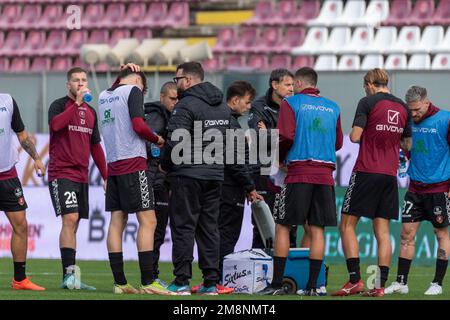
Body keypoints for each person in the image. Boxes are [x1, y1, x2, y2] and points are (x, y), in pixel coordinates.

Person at [160, 62, 260, 295]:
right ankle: (210, 282)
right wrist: (248, 184)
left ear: (188, 80)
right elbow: (234, 150)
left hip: (188, 174)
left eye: (177, 79)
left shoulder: (185, 106)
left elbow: (175, 140)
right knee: (209, 229)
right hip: (215, 176)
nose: (177, 84)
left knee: (184, 227)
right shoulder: (222, 109)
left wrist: (165, 166)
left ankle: (182, 281)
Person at [259, 67, 343, 296]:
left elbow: (286, 135)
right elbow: (338, 143)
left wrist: (280, 156)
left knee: (283, 226)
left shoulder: (291, 103)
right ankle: (313, 286)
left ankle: (276, 284)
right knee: (317, 229)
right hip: (325, 175)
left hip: (298, 172)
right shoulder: (333, 106)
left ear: (297, 83)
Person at [332, 69, 412, 297]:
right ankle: (378, 287)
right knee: (383, 232)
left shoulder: (367, 102)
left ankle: (355, 281)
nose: (364, 89)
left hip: (366, 170)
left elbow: (355, 136)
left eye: (364, 85)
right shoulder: (403, 107)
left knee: (347, 225)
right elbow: (407, 145)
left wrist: (370, 133)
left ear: (369, 83)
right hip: (389, 175)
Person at [98, 67, 168, 295]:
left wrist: (123, 71)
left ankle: (120, 283)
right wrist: (157, 138)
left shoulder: (104, 95)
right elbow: (138, 125)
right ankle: (148, 282)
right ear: (138, 81)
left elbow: (117, 84)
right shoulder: (134, 91)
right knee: (149, 221)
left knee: (117, 222)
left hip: (114, 166)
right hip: (133, 164)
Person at [191, 81, 263, 295]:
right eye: (247, 102)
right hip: (231, 189)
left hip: (214, 184)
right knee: (226, 235)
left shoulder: (215, 121)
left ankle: (209, 280)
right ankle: (216, 281)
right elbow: (236, 161)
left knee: (212, 232)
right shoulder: (231, 125)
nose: (249, 107)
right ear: (235, 100)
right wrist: (250, 187)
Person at [385, 86, 450, 296]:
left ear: (426, 102)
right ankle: (401, 282)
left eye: (416, 110)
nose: (413, 114)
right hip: (414, 187)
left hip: (439, 188)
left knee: (441, 234)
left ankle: (437, 283)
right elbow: (404, 147)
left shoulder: (445, 120)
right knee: (406, 234)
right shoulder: (408, 121)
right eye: (410, 110)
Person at [48, 67, 107, 290]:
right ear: (68, 85)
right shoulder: (59, 105)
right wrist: (77, 104)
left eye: (83, 80)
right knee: (70, 219)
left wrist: (105, 175)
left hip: (82, 175)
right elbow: (55, 126)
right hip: (61, 172)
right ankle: (68, 276)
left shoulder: (91, 112)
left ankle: (70, 276)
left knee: (75, 224)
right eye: (76, 81)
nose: (81, 84)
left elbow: (95, 147)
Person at [0, 93, 45, 291]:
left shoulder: (7, 101)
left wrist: (36, 158)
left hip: (8, 175)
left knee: (21, 225)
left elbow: (22, 135)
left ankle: (20, 279)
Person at [247, 69, 296, 249]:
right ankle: (259, 271)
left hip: (288, 171)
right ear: (274, 85)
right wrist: (284, 135)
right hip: (263, 171)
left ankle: (287, 272)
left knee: (290, 224)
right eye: (287, 85)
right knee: (263, 223)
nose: (292, 89)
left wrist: (269, 132)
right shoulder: (260, 105)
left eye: (293, 85)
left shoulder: (295, 105)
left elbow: (295, 137)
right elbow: (257, 136)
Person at [143, 81, 178, 287]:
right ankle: (151, 276)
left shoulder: (165, 116)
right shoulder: (157, 117)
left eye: (178, 98)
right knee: (156, 230)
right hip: (155, 180)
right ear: (163, 97)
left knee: (157, 230)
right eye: (172, 98)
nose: (176, 102)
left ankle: (152, 274)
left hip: (159, 179)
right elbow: (150, 147)